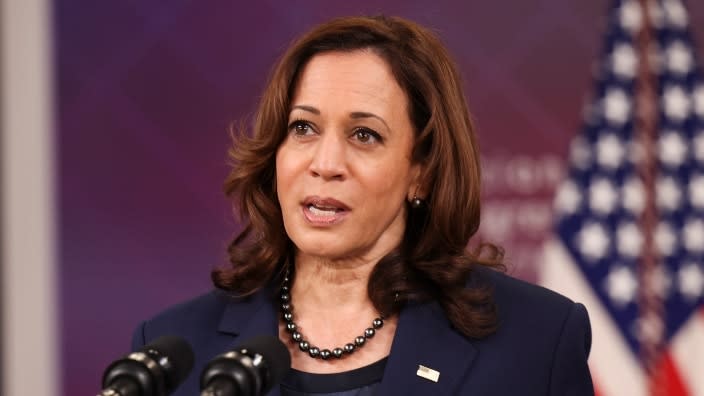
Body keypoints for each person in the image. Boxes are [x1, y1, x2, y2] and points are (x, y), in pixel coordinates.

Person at [132, 15, 594, 395]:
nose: (326, 163)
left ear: (422, 171)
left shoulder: (535, 341)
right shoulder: (175, 352)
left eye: (364, 135)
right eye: (304, 129)